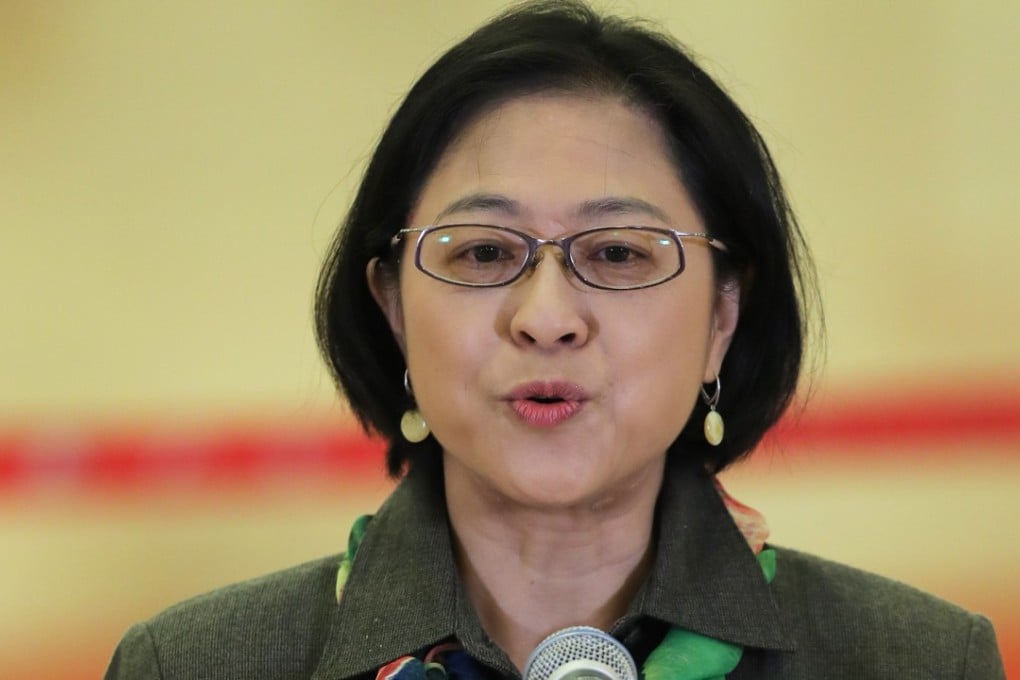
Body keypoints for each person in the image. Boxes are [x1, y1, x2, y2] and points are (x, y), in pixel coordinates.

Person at [105, 2, 1006, 678]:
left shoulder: (919, 660)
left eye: (616, 252)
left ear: (723, 314)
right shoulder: (192, 665)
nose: (544, 315)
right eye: (484, 251)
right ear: (391, 308)